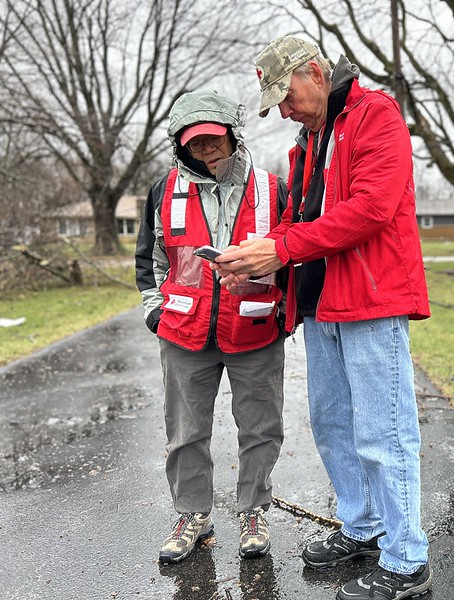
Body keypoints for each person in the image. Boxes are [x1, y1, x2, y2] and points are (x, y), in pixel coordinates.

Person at [213, 36, 432, 600]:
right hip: (320, 304)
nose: (283, 110)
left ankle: (407, 559)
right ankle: (363, 528)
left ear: (315, 72)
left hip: (372, 300)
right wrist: (256, 263)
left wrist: (281, 250)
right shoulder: (305, 143)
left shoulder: (375, 115)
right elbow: (294, 225)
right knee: (332, 425)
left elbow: (372, 208)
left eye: (285, 96)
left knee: (384, 431)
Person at [135, 90, 288, 564]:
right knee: (185, 432)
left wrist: (285, 313)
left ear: (232, 136)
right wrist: (154, 311)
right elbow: (151, 260)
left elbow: (293, 255)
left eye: (214, 140)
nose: (206, 150)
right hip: (184, 332)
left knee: (261, 429)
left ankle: (253, 510)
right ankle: (192, 514)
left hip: (255, 331)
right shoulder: (162, 190)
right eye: (195, 143)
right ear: (181, 145)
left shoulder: (273, 188)